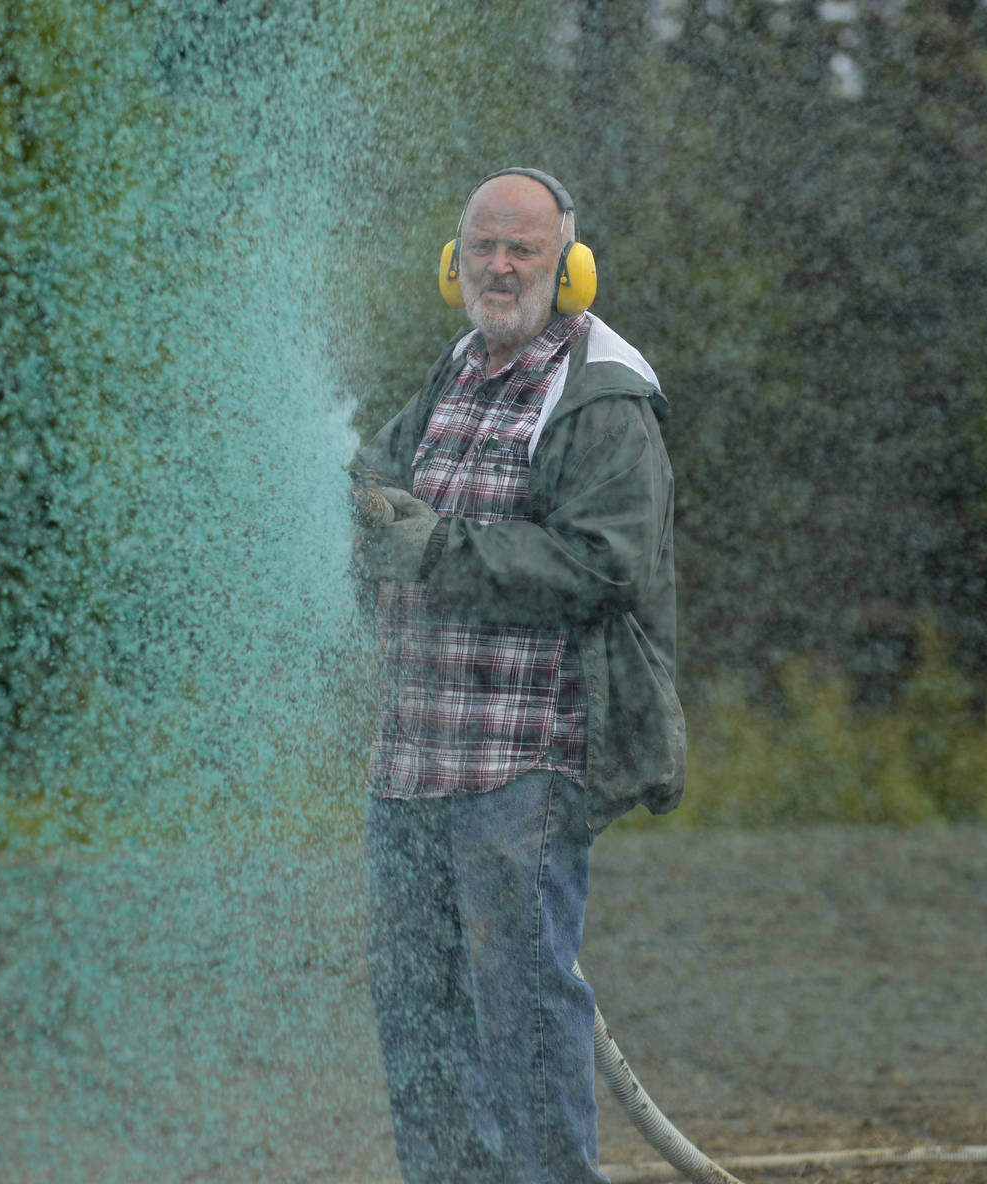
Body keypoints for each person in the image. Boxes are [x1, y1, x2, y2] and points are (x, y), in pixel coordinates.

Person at [349, 167, 684, 1184]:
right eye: (483, 246)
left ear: (567, 267)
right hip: (409, 765)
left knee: (524, 1025)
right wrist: (362, 502)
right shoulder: (450, 371)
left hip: (520, 769)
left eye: (524, 249)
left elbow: (605, 565)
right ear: (452, 263)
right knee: (418, 1026)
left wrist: (437, 550)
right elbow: (384, 480)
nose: (500, 265)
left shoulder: (599, 395)